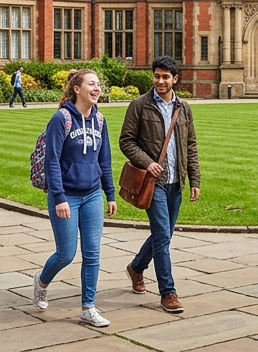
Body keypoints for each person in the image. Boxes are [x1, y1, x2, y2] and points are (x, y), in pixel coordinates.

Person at [34, 69, 117, 328]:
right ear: (77, 89)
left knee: (92, 254)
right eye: (91, 84)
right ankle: (41, 281)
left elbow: (105, 160)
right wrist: (58, 197)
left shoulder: (100, 120)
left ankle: (88, 307)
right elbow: (52, 161)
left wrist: (110, 194)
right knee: (66, 254)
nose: (97, 88)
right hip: (66, 196)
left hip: (92, 195)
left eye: (98, 84)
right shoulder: (61, 119)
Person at [121, 56, 200, 314]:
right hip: (152, 183)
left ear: (175, 79)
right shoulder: (139, 106)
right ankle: (168, 292)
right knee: (163, 237)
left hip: (176, 182)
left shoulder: (184, 108)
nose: (160, 81)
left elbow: (190, 146)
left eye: (166, 76)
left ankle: (136, 268)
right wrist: (147, 163)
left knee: (162, 235)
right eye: (157, 76)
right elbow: (127, 141)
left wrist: (194, 180)